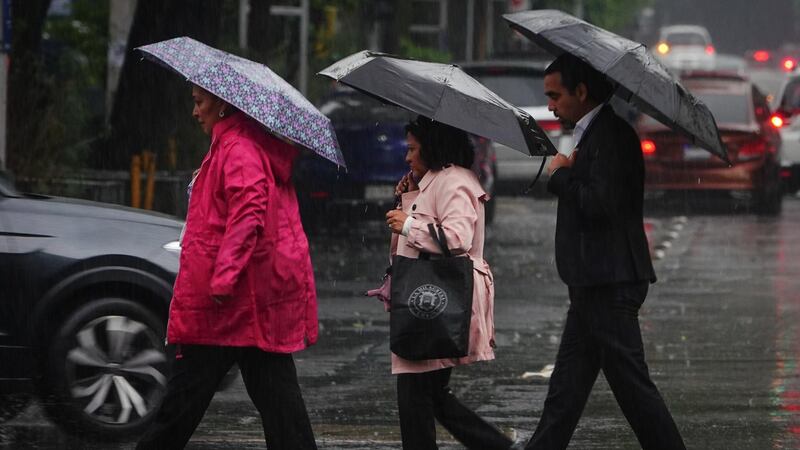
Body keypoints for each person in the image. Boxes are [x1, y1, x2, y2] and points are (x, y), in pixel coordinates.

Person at [136, 85, 318, 450]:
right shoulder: (235, 145)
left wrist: (223, 277)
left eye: (199, 102)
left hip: (228, 306)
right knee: (282, 410)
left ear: (221, 105)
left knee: (181, 406)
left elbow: (249, 212)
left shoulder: (238, 148)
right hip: (248, 306)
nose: (195, 111)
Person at [522, 53, 686, 450]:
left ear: (582, 91)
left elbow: (601, 204)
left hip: (610, 284)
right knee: (566, 392)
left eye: (555, 95)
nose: (550, 105)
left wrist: (560, 176)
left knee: (633, 390)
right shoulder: (594, 134)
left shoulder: (611, 136)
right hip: (592, 282)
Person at [379, 116, 514, 450]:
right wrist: (411, 193)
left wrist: (408, 224)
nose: (407, 157)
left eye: (412, 149)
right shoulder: (434, 179)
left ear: (433, 146)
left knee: (416, 397)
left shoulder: (454, 181)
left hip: (434, 300)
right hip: (426, 299)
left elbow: (457, 238)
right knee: (430, 396)